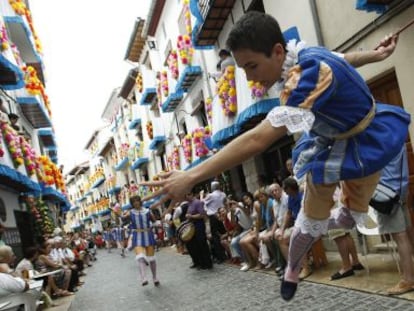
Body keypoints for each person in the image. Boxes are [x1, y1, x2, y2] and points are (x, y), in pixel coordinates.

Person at [141, 11, 409, 301]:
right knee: (309, 218)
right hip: (330, 146)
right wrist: (378, 55)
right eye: (243, 69)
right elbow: (344, 58)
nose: (249, 77)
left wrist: (192, 175)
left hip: (367, 143)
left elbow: (259, 138)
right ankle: (292, 268)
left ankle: (308, 243)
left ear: (278, 52)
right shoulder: (306, 55)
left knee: (346, 217)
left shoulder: (309, 73)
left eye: (252, 66)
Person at [373, 146, 414, 295]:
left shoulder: (381, 142)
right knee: (408, 234)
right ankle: (410, 276)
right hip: (400, 190)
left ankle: (408, 280)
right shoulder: (397, 139)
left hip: (386, 193)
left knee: (401, 238)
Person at [124, 195, 159, 286]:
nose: (136, 203)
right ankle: (143, 278)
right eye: (133, 201)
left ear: (140, 201)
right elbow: (123, 218)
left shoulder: (147, 211)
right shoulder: (130, 212)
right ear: (132, 204)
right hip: (137, 235)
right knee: (140, 257)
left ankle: (154, 277)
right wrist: (118, 214)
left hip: (148, 234)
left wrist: (157, 224)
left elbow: (154, 221)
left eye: (137, 201)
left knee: (151, 259)